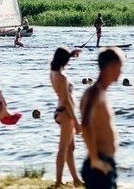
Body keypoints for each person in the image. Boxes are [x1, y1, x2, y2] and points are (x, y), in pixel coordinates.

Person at [80, 48, 124, 189]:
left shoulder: (100, 92)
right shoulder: (94, 92)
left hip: (104, 162)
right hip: (98, 163)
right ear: (111, 67)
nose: (121, 71)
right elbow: (85, 124)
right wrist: (94, 160)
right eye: (120, 67)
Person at [49, 47, 83, 188]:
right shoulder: (62, 77)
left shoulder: (54, 73)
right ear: (64, 60)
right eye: (68, 59)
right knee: (63, 148)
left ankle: (76, 179)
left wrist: (71, 53)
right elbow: (67, 100)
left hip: (61, 111)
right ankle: (58, 181)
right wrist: (76, 121)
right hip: (66, 113)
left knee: (70, 147)